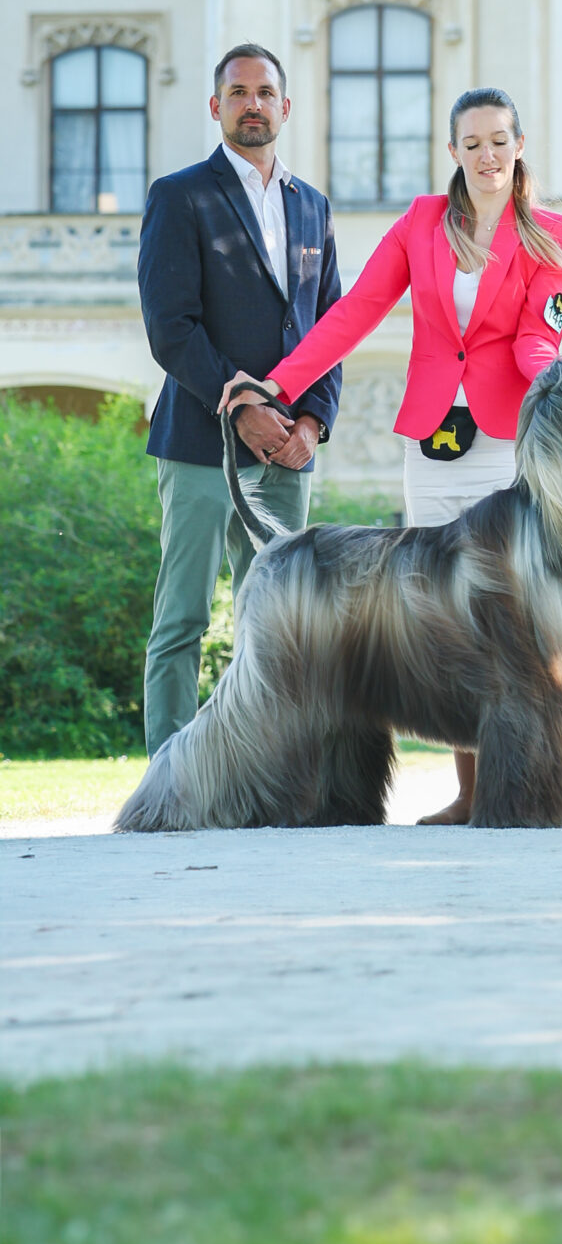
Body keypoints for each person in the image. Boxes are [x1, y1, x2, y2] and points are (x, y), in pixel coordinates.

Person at [225, 84, 562, 825]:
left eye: (499, 141)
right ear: (453, 151)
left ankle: (514, 789)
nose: (487, 156)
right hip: (434, 448)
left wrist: (556, 384)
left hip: (507, 451)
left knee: (509, 619)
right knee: (446, 617)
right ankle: (469, 793)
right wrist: (278, 384)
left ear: (519, 146)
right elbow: (355, 312)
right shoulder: (422, 222)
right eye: (472, 144)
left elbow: (537, 338)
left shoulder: (550, 234)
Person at [137, 44, 343, 754]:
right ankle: (168, 777)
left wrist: (313, 421)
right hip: (201, 442)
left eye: (263, 93)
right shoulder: (180, 195)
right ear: (216, 106)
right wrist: (241, 406)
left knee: (279, 623)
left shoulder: (312, 205)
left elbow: (330, 325)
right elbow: (170, 328)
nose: (251, 104)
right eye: (237, 92)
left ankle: (267, 772)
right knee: (183, 618)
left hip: (288, 451)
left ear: (285, 107)